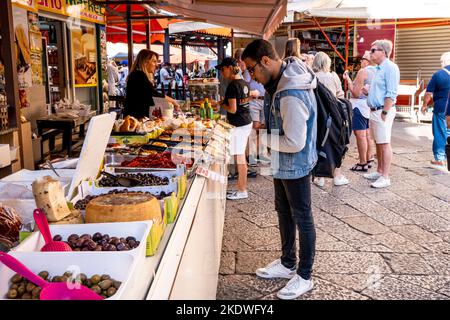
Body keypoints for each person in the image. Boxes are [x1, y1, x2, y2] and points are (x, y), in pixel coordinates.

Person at [242, 39, 317, 300]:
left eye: (251, 70)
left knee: (303, 218)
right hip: (282, 163)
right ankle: (287, 263)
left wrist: (263, 139)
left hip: (295, 164)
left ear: (265, 61)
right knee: (284, 211)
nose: (251, 77)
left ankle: (305, 275)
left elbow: (295, 142)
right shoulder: (279, 81)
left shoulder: (291, 93)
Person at [213, 57, 253, 200]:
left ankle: (242, 190)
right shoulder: (243, 83)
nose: (222, 72)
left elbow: (232, 109)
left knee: (240, 157)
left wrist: (221, 105)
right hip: (246, 121)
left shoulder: (232, 85)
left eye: (223, 69)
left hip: (239, 124)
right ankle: (240, 188)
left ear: (230, 68)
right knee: (240, 156)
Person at [364, 39, 400, 188]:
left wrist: (384, 112)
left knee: (384, 144)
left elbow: (391, 93)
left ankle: (385, 176)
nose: (370, 53)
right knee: (379, 143)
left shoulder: (390, 67)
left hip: (381, 111)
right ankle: (379, 171)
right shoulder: (379, 68)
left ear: (383, 52)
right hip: (375, 110)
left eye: (373, 50)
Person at [312, 51, 349, 187]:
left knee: (318, 144)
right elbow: (340, 96)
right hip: (333, 116)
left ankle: (319, 177)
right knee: (336, 145)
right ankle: (337, 176)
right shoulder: (333, 76)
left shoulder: (312, 77)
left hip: (316, 116)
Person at [343, 51, 377, 172]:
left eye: (363, 58)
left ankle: (362, 163)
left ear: (367, 61)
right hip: (369, 106)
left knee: (360, 135)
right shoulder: (376, 71)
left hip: (359, 107)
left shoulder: (363, 72)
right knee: (367, 134)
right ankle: (369, 158)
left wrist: (347, 80)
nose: (361, 61)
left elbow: (356, 94)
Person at [234, 48, 269, 166]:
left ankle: (258, 153)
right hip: (254, 101)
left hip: (264, 100)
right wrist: (252, 92)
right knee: (256, 127)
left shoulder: (255, 69)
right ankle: (252, 155)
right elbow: (244, 88)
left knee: (263, 127)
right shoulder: (247, 72)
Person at [124, 49, 179, 119]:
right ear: (145, 62)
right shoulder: (138, 75)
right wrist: (173, 101)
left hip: (137, 117)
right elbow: (153, 94)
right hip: (135, 119)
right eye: (154, 61)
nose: (156, 65)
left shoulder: (137, 74)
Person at [420, 52, 450, 167]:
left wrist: (424, 105)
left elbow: (428, 93)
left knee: (439, 132)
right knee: (449, 132)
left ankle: (440, 158)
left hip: (442, 108)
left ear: (443, 62)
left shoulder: (438, 74)